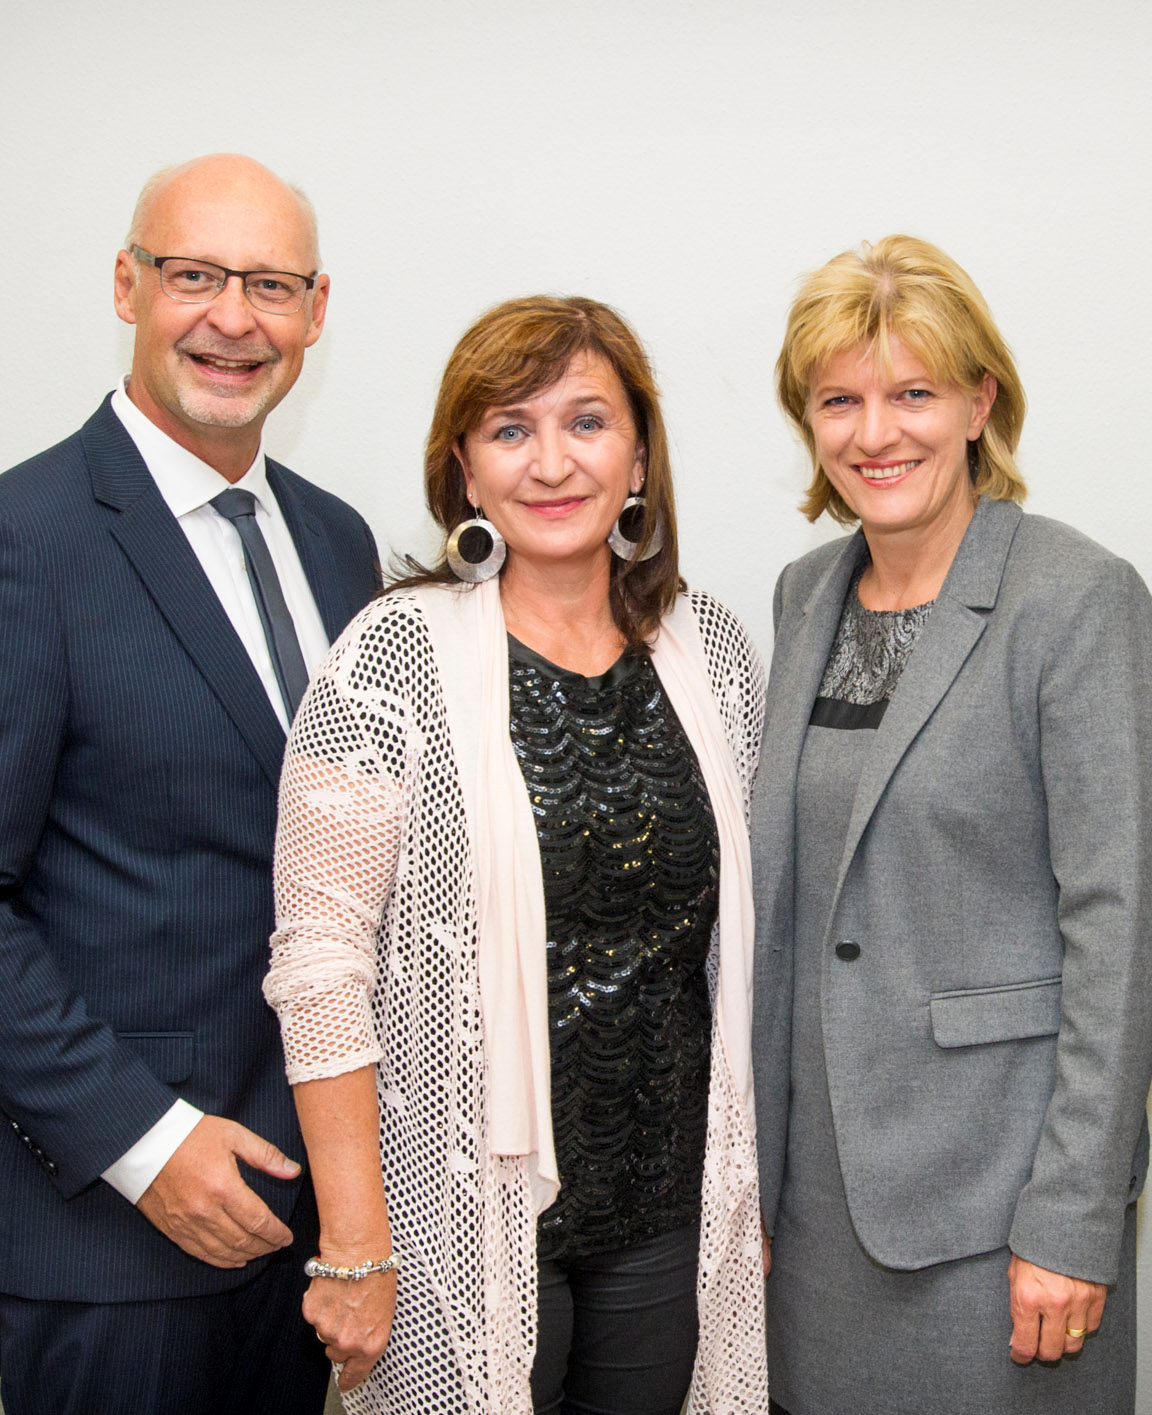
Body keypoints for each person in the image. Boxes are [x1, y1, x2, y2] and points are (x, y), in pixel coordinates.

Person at [0, 154, 382, 1413]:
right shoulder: (11, 540)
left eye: (269, 284)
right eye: (193, 274)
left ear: (317, 311)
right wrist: (147, 1146)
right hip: (107, 1228)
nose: (231, 317)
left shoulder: (336, 541)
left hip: (302, 1212)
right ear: (126, 284)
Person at [262, 296, 768, 1415]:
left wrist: (752, 1195)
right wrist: (351, 1243)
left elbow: (746, 947)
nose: (551, 461)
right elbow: (318, 961)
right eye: (510, 429)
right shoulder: (392, 658)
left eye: (586, 422)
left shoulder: (714, 651)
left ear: (638, 455)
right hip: (461, 1217)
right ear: (466, 469)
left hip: (667, 1217)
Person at [751, 236, 1152, 1413]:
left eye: (912, 393)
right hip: (812, 1203)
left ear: (980, 401)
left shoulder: (1076, 598)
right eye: (839, 399)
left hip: (997, 1206)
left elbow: (1121, 924)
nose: (873, 432)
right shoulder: (802, 594)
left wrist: (1073, 1212)